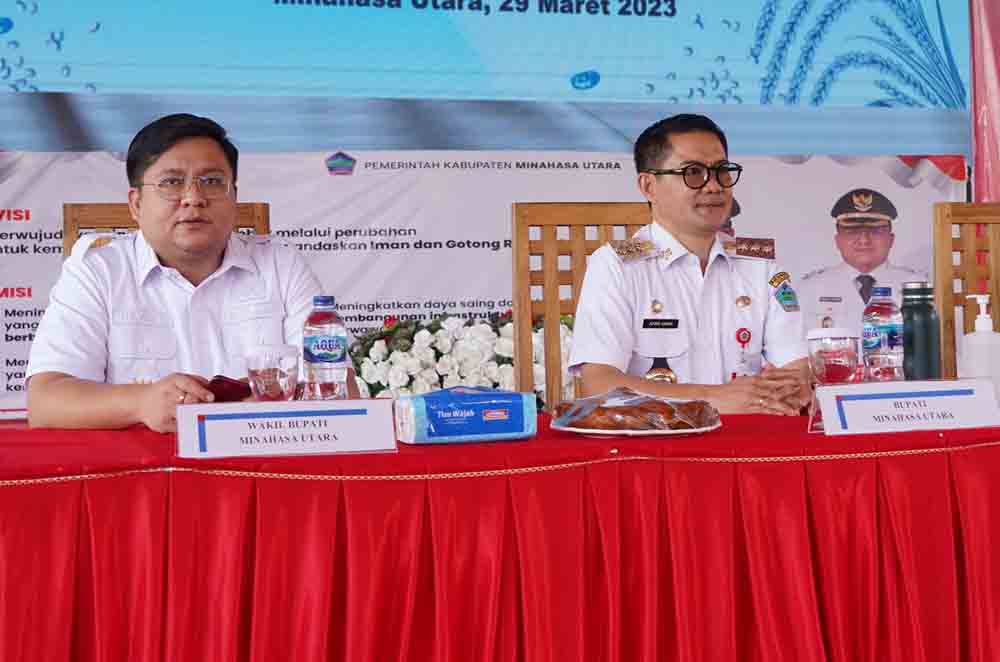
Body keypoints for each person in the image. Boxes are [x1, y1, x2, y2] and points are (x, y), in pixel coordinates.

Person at [27, 113, 356, 432]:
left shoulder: (280, 265)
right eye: (171, 182)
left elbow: (341, 386)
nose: (193, 198)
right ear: (136, 204)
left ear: (234, 197)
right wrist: (141, 403)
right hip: (142, 464)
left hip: (263, 456)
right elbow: (46, 400)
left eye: (212, 182)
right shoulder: (98, 272)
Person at [568, 113, 810, 415]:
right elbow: (599, 384)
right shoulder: (616, 265)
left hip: (750, 434)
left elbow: (796, 370)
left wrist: (789, 388)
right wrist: (712, 398)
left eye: (722, 171)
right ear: (648, 186)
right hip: (659, 438)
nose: (714, 186)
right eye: (693, 173)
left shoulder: (760, 265)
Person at [798, 188, 926, 331]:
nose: (864, 240)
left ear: (891, 239)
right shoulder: (810, 289)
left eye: (875, 231)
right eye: (852, 232)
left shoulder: (919, 287)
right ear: (838, 240)